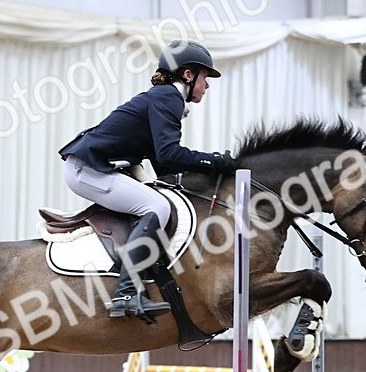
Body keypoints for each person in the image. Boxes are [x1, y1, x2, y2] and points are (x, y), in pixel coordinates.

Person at [59, 39, 237, 322]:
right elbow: (169, 153)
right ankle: (126, 293)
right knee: (157, 208)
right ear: (188, 75)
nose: (208, 85)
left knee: (160, 201)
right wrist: (214, 162)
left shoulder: (164, 98)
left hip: (92, 167)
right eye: (205, 77)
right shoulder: (169, 98)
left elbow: (161, 160)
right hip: (87, 169)